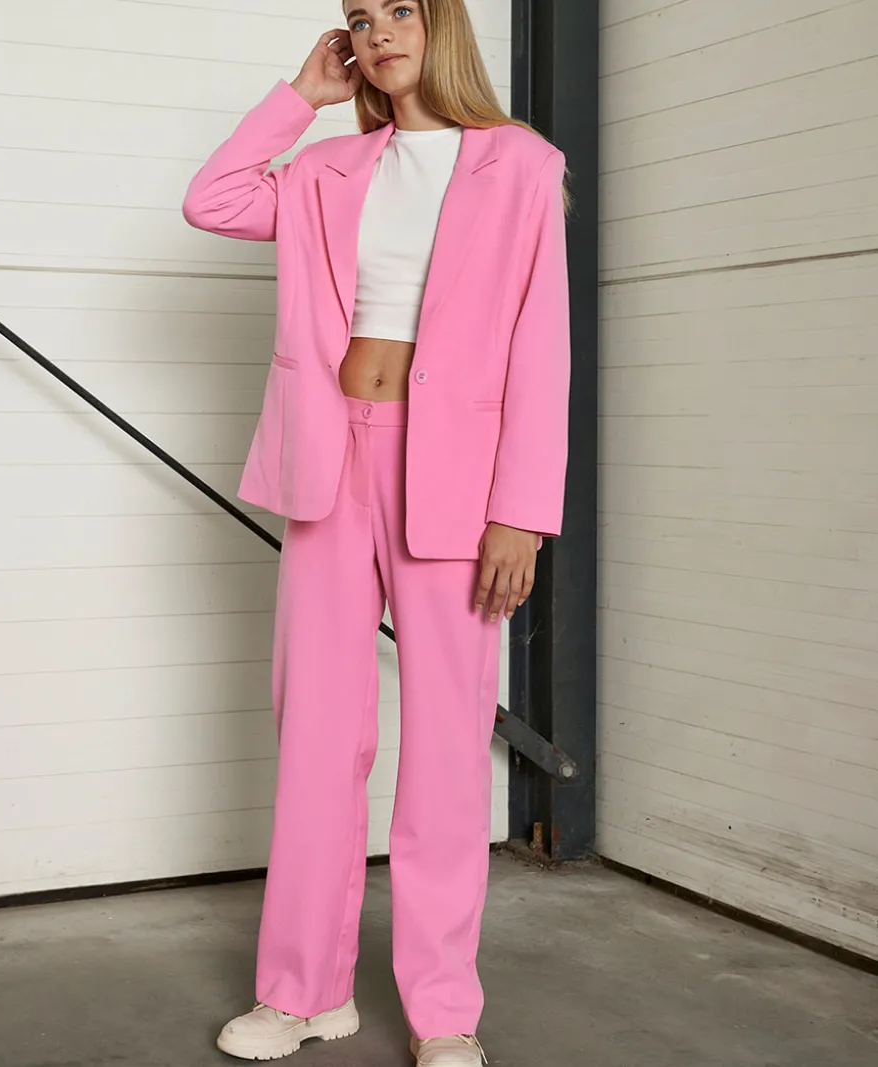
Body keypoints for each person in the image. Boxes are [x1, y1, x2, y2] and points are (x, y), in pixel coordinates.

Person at [182, 1, 570, 1063]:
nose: (380, 31)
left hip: (458, 479)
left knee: (446, 748)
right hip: (328, 462)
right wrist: (301, 99)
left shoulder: (519, 163)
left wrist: (521, 512)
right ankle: (302, 991)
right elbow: (212, 199)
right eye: (360, 16)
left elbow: (541, 344)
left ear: (443, 24)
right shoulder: (326, 170)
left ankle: (443, 1010)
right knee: (316, 731)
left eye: (401, 8)